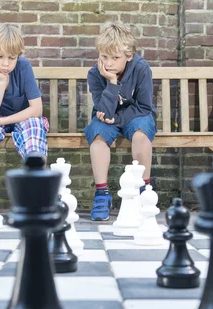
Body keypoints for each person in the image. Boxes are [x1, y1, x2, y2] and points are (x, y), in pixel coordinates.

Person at [84, 21, 157, 221]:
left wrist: (116, 118)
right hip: (106, 118)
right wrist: (112, 82)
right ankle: (102, 194)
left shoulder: (141, 68)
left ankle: (144, 190)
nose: (108, 63)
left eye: (115, 58)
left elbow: (144, 106)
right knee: (98, 135)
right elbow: (104, 110)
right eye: (104, 57)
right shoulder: (95, 74)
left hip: (137, 115)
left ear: (129, 56)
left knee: (141, 135)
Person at [0, 23, 48, 181]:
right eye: (0, 57)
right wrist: (1, 83)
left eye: (12, 58)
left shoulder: (23, 66)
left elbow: (37, 109)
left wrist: (3, 120)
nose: (6, 63)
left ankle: (36, 194)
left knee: (34, 127)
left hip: (22, 119)